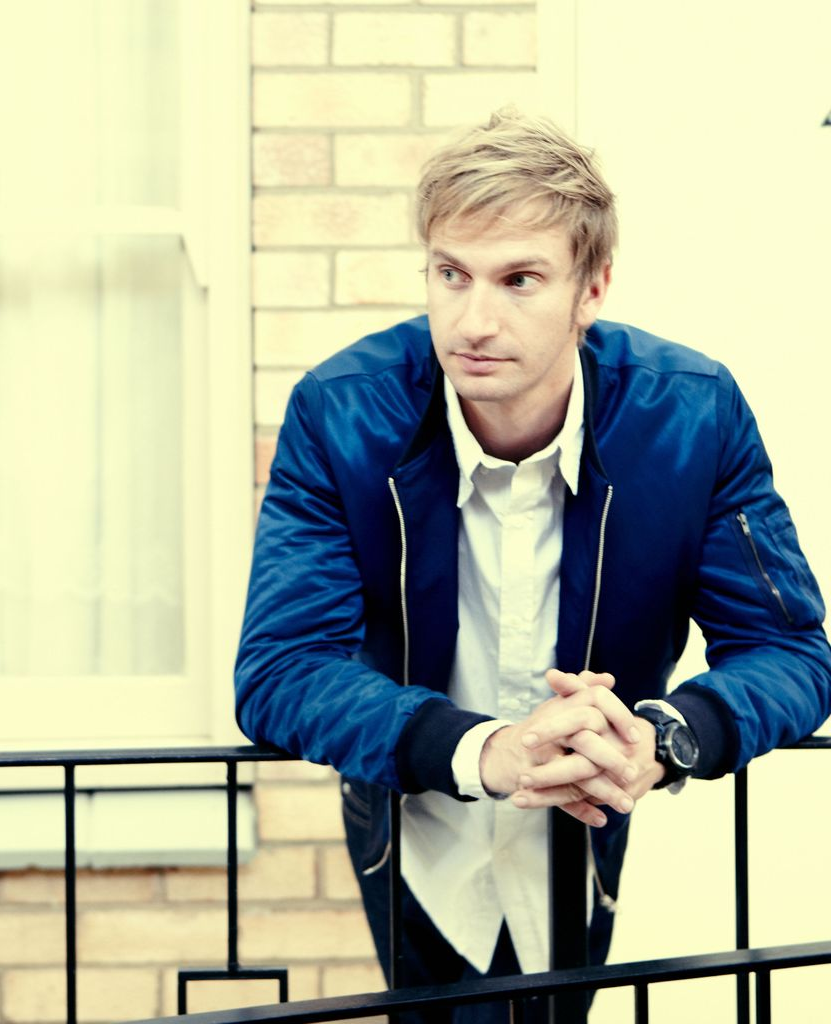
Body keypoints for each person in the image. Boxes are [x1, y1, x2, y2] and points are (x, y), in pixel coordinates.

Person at [234, 108, 831, 1022]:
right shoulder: (340, 413)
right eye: (451, 274)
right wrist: (485, 751)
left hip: (582, 832)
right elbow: (280, 669)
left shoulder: (692, 415)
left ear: (592, 289)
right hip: (416, 826)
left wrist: (664, 739)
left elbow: (791, 652)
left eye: (519, 280)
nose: (474, 321)